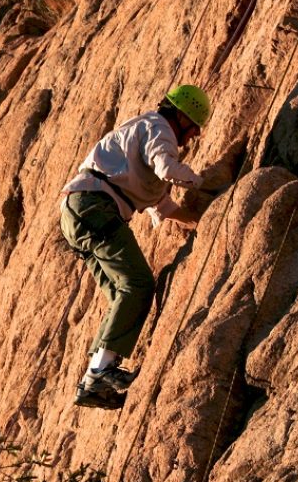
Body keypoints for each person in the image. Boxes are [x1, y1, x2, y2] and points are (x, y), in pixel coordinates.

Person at [59, 84, 212, 409]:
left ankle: (93, 378)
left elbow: (166, 208)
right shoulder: (157, 127)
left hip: (82, 211)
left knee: (121, 294)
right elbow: (168, 169)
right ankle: (101, 373)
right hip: (94, 206)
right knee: (138, 284)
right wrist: (207, 186)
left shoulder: (145, 139)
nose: (193, 137)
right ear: (182, 117)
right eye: (194, 128)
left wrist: (207, 220)